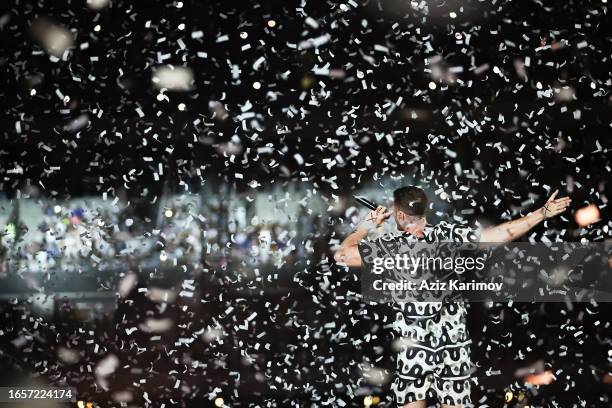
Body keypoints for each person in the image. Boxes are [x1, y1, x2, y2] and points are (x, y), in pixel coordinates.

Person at [334, 186, 571, 408]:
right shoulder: (449, 236)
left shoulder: (391, 247)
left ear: (402, 216)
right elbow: (500, 233)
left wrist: (366, 226)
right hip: (452, 346)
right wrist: (541, 213)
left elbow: (342, 255)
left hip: (414, 347)